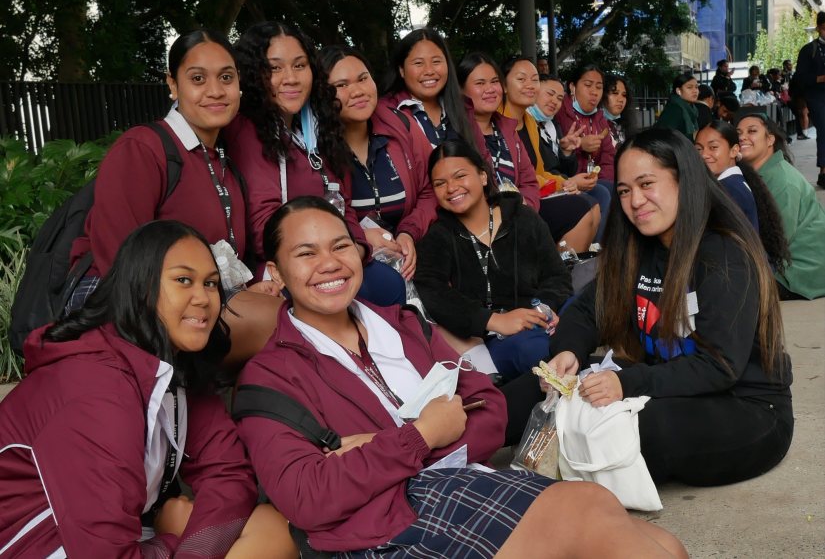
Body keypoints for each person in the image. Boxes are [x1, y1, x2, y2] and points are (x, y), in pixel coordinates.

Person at [236, 196, 689, 559]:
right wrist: (420, 434)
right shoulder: (269, 377)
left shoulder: (403, 325)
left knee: (650, 537)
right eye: (305, 253)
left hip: (443, 483)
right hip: (376, 527)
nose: (329, 263)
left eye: (339, 246)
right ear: (275, 273)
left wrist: (391, 447)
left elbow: (489, 411)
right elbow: (305, 498)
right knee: (588, 511)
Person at [0, 221, 295, 558]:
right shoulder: (95, 388)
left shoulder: (174, 365)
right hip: (39, 548)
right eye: (184, 280)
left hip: (116, 540)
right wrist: (173, 537)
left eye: (211, 283)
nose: (203, 298)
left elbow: (228, 473)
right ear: (139, 286)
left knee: (272, 528)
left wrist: (195, 549)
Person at [545, 127, 794, 487]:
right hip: (672, 385)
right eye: (625, 191)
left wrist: (627, 382)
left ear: (685, 181)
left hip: (747, 407)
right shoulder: (639, 248)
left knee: (633, 425)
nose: (635, 201)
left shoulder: (724, 253)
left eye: (647, 184)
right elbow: (586, 310)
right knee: (551, 391)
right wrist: (567, 351)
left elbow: (719, 366)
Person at [66, 28, 282, 370]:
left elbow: (227, 255)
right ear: (172, 85)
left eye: (226, 77)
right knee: (283, 323)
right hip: (123, 300)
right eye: (198, 78)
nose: (215, 90)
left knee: (296, 313)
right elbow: (119, 258)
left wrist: (251, 286)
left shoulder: (224, 158)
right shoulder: (143, 148)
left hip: (197, 296)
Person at [225, 21, 406, 313]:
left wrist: (356, 248)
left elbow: (342, 204)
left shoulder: (315, 127)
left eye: (299, 65)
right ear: (253, 74)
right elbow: (263, 231)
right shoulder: (247, 131)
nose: (291, 78)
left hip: (333, 256)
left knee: (389, 283)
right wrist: (332, 258)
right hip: (286, 268)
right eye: (274, 68)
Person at [414, 139, 573, 380]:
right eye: (440, 183)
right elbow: (435, 294)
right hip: (494, 339)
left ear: (483, 176)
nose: (451, 188)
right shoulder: (439, 236)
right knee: (536, 351)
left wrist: (544, 309)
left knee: (585, 308)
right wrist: (494, 321)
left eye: (460, 176)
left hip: (538, 321)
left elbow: (557, 275)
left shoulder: (522, 218)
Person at [322, 45, 438, 281]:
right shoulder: (315, 147)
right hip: (352, 263)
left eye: (363, 79)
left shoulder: (400, 124)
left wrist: (409, 232)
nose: (357, 91)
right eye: (342, 85)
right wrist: (361, 238)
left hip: (414, 250)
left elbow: (431, 188)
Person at [496, 56, 599, 251]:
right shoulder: (496, 121)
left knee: (591, 204)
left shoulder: (529, 122)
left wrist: (564, 183)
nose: (530, 85)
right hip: (516, 201)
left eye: (534, 80)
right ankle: (561, 274)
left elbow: (540, 171)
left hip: (536, 194)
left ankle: (569, 272)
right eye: (521, 79)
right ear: (504, 85)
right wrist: (560, 182)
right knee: (581, 208)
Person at [736, 113, 825, 299]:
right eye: (738, 133)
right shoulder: (757, 174)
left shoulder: (783, 181)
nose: (742, 137)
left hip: (798, 272)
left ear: (770, 140)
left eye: (752, 131)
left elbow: (776, 241)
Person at [695, 121, 791, 275]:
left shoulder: (730, 189)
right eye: (698, 148)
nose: (704, 154)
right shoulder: (732, 184)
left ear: (734, 151)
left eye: (713, 147)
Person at [527, 73, 610, 241]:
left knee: (605, 190)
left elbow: (563, 168)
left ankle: (596, 251)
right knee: (595, 197)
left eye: (558, 98)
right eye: (549, 94)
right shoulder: (525, 124)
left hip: (562, 182)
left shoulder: (552, 125)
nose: (554, 102)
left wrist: (566, 152)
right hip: (544, 188)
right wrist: (569, 182)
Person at [379, 27, 487, 152]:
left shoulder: (463, 109)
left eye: (436, 61)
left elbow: (484, 161)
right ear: (401, 70)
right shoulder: (386, 113)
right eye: (419, 63)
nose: (429, 71)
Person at [457, 52, 541, 206]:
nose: (490, 89)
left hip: (520, 213)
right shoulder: (457, 134)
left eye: (494, 81)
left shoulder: (508, 130)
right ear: (460, 90)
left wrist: (526, 208)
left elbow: (529, 182)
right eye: (480, 83)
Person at [555, 64, 617, 188]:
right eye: (588, 85)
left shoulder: (600, 117)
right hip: (568, 182)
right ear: (572, 87)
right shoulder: (559, 111)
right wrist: (580, 145)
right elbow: (553, 155)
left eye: (599, 87)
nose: (594, 92)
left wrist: (602, 182)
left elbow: (608, 157)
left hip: (596, 182)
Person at [794, 10, 825, 188]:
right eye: (823, 29)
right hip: (817, 95)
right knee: (824, 130)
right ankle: (823, 171)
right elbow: (799, 78)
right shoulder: (809, 50)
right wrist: (820, 79)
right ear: (818, 28)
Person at [656, 73, 700, 139]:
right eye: (689, 87)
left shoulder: (692, 109)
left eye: (696, 87)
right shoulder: (674, 110)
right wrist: (693, 136)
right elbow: (664, 137)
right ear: (678, 91)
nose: (695, 91)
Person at [601, 74, 636, 146]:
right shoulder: (592, 125)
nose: (621, 99)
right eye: (615, 93)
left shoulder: (621, 126)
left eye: (624, 95)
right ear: (602, 95)